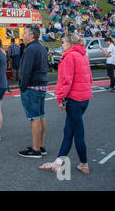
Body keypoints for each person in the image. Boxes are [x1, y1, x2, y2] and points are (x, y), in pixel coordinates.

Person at [39, 34, 93, 174]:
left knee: (77, 133)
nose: (62, 44)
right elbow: (90, 78)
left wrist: (60, 99)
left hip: (74, 99)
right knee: (69, 131)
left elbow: (65, 80)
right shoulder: (83, 55)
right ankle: (58, 163)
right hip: (84, 98)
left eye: (63, 42)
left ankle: (84, 164)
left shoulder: (69, 56)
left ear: (70, 43)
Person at [18, 25, 49, 158]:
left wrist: (22, 86)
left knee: (34, 118)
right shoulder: (41, 47)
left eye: (24, 33)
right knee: (41, 116)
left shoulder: (30, 49)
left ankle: (35, 149)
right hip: (41, 85)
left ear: (31, 35)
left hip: (32, 87)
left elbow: (25, 71)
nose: (22, 35)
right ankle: (40, 146)